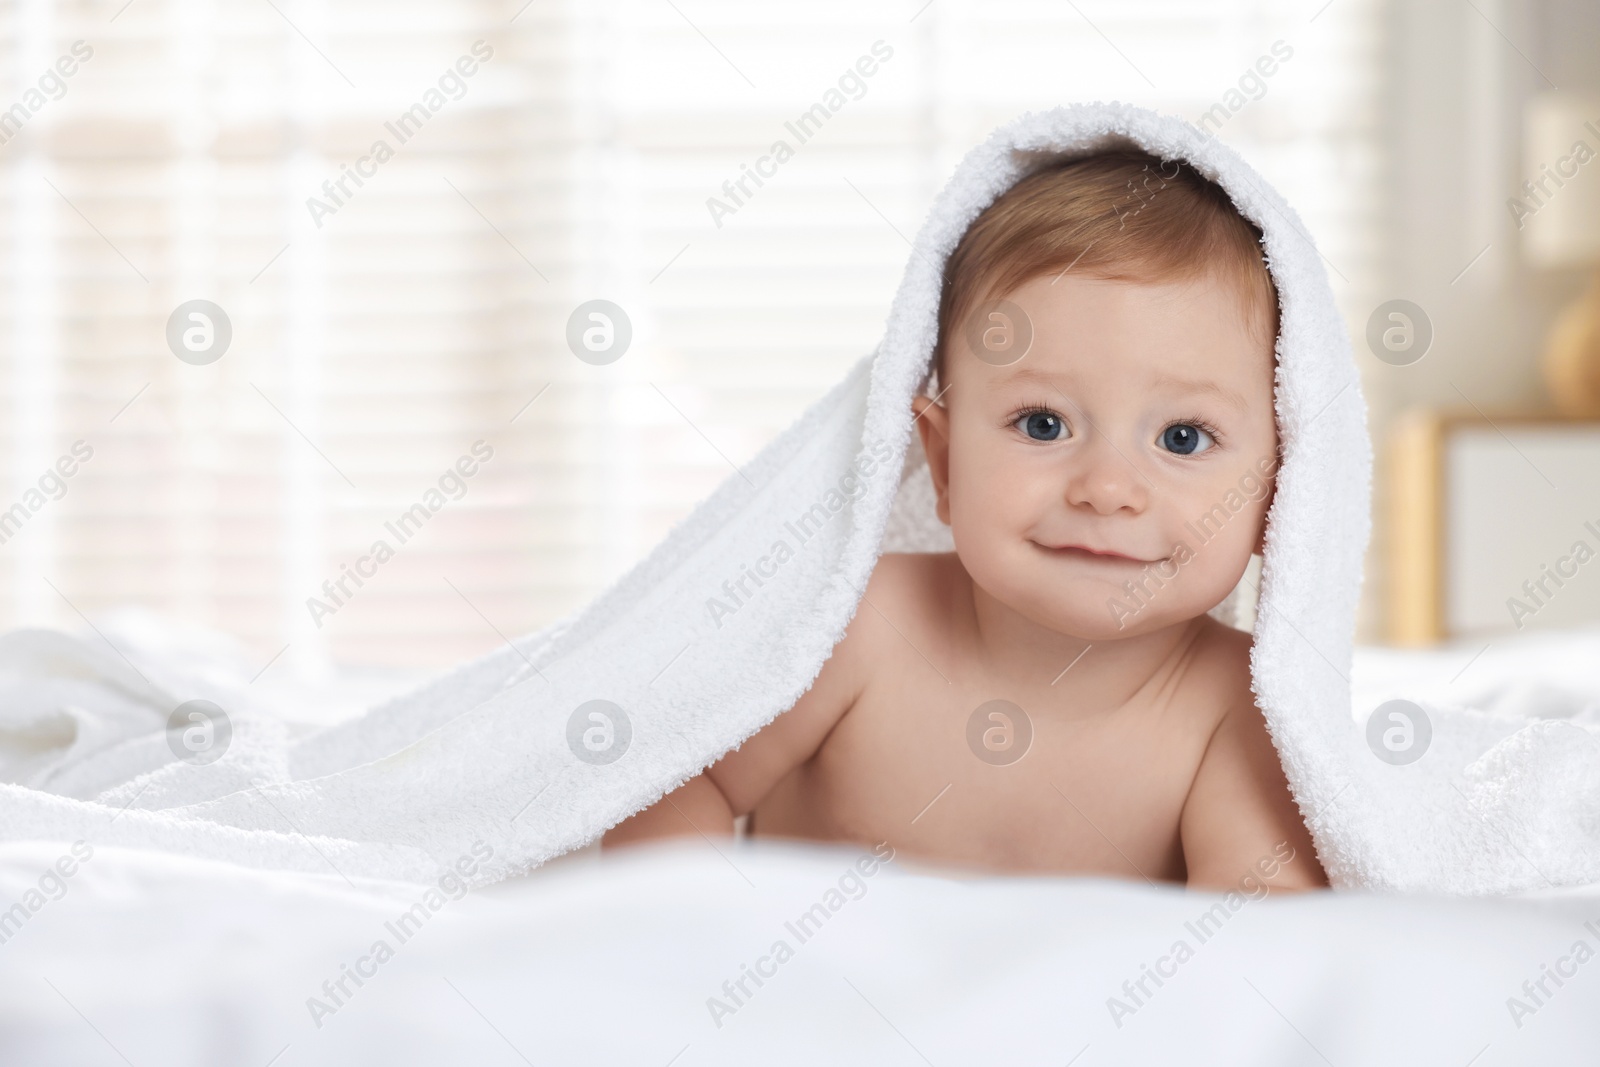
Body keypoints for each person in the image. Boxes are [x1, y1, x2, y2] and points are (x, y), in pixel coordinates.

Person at [605, 149, 1325, 891]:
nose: (1107, 489)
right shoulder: (859, 625)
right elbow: (675, 781)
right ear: (945, 464)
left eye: (1182, 438)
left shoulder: (1239, 705)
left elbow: (1263, 935)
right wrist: (696, 939)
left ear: (1280, 491)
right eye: (1042, 423)